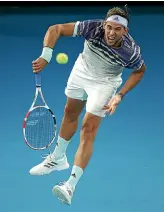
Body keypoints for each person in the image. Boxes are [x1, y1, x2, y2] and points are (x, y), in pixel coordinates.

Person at [30, 5, 146, 205]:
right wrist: (46, 56)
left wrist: (120, 95)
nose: (111, 32)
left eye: (117, 29)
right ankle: (58, 159)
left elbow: (140, 71)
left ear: (125, 31)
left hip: (105, 82)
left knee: (88, 128)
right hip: (81, 71)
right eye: (109, 27)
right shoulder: (92, 28)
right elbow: (55, 29)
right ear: (104, 24)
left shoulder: (131, 51)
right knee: (69, 113)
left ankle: (70, 185)